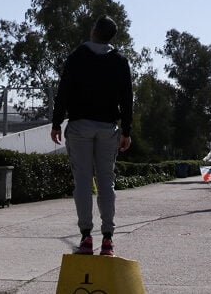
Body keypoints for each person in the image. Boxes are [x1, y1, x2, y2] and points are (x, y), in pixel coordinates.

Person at [50, 16, 134, 258]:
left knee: (83, 182)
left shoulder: (77, 56)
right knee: (107, 182)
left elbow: (63, 91)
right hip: (108, 128)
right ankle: (108, 240)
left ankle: (86, 237)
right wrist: (126, 130)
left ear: (95, 30)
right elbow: (126, 98)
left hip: (79, 127)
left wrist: (56, 123)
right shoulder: (119, 61)